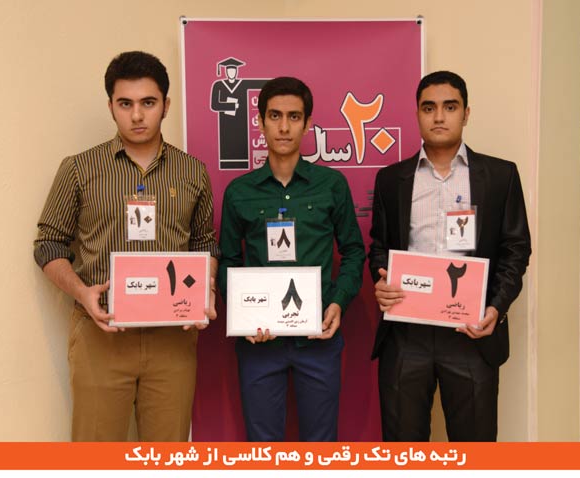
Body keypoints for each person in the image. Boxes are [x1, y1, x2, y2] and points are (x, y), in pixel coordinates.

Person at [34, 51, 219, 442]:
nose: (137, 115)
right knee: (96, 461)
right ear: (111, 107)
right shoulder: (79, 169)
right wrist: (82, 292)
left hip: (172, 338)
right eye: (125, 104)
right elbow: (48, 244)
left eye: (148, 103)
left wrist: (207, 289)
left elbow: (204, 243)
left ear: (166, 105)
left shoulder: (193, 172)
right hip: (102, 333)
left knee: (168, 460)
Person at [369, 70, 531, 442]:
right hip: (406, 333)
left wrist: (496, 308)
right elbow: (379, 247)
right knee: (402, 449)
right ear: (417, 114)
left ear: (466, 113)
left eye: (450, 107)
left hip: (471, 333)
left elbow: (516, 249)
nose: (439, 116)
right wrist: (382, 278)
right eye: (429, 108)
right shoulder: (391, 180)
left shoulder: (500, 175)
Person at [218, 76, 365, 442]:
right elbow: (227, 261)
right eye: (275, 116)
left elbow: (353, 250)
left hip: (318, 339)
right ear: (260, 122)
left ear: (307, 123)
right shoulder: (239, 192)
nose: (284, 127)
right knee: (263, 449)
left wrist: (338, 302)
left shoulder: (331, 185)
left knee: (320, 446)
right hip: (260, 343)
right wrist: (240, 314)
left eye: (294, 117)